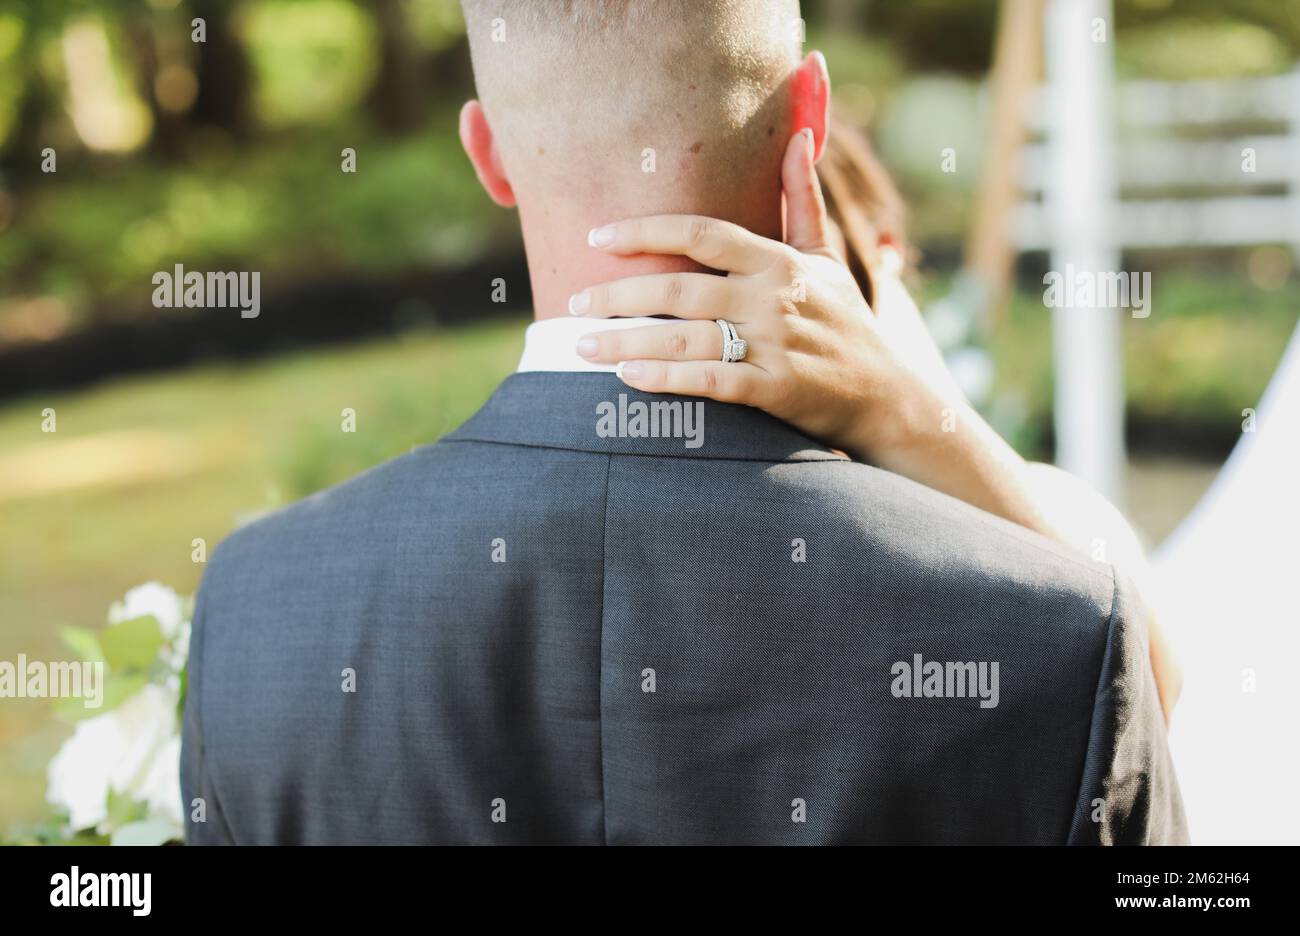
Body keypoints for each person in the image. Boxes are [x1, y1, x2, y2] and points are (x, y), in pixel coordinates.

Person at [181, 0, 1186, 844]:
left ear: (487, 153)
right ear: (811, 112)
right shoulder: (1056, 633)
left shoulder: (256, 610)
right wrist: (917, 417)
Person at [575, 118, 1183, 723]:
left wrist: (895, 400)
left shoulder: (1061, 516)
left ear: (879, 251)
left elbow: (1144, 682)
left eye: (783, 271)